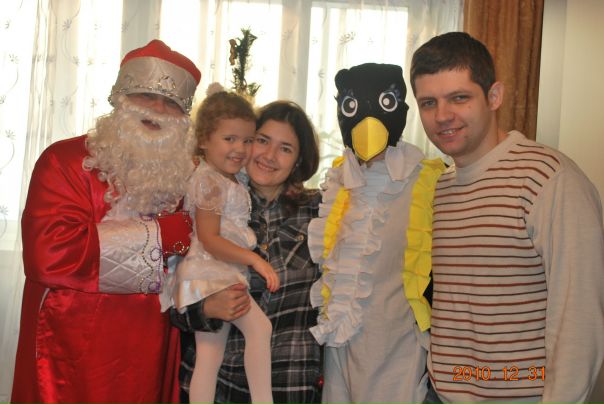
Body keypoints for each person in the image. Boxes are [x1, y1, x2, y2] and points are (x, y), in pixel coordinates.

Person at [410, 31, 604, 404]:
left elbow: (579, 318)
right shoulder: (441, 187)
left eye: (459, 98)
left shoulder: (549, 179)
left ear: (494, 96)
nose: (442, 116)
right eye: (428, 102)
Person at [12, 39, 201, 404]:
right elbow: (47, 255)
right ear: (121, 99)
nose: (158, 109)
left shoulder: (184, 175)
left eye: (172, 103)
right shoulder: (63, 160)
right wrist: (160, 237)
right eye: (146, 95)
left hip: (151, 341)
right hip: (71, 346)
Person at [307, 63, 444, 404]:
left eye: (382, 103)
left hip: (394, 346)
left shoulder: (427, 179)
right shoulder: (338, 181)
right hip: (340, 344)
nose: (367, 121)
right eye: (352, 106)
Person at [171, 100, 323, 404]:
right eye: (261, 141)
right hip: (221, 388)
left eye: (285, 148)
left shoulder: (320, 211)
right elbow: (173, 297)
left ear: (298, 160)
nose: (269, 155)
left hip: (288, 384)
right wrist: (205, 309)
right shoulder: (211, 196)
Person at [160, 87, 280, 404]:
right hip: (211, 270)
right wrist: (254, 260)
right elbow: (210, 239)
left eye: (248, 140)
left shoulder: (230, 177)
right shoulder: (210, 181)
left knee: (209, 357)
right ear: (204, 140)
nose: (240, 148)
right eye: (230, 139)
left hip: (216, 271)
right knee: (260, 329)